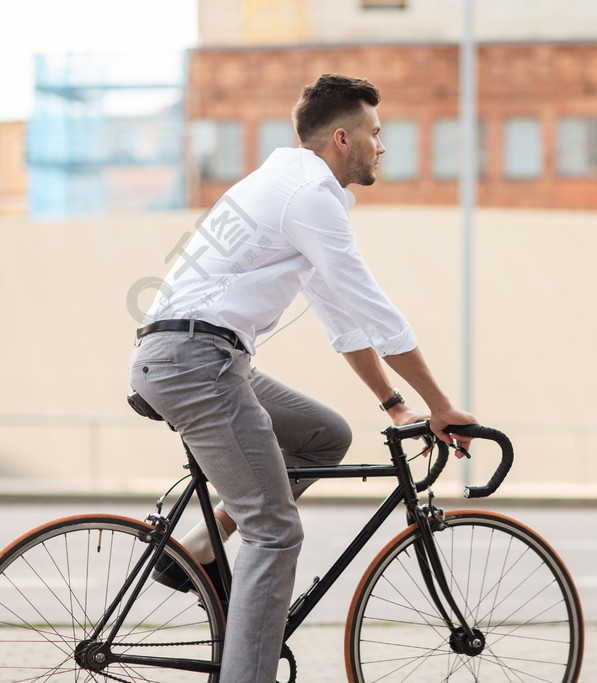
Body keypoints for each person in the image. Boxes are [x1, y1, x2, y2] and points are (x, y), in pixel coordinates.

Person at [128, 74, 475, 683]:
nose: (382, 146)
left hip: (201, 357)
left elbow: (343, 316)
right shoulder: (306, 196)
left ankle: (194, 553)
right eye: (374, 133)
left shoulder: (287, 186)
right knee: (274, 531)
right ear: (342, 138)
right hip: (195, 362)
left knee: (323, 435)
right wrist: (442, 405)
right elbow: (374, 309)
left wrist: (394, 403)